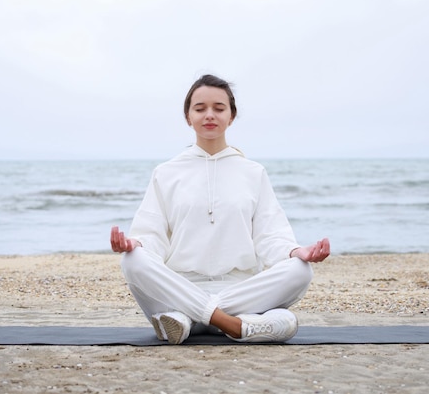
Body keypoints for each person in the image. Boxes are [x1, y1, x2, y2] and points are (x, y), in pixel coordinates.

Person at [111, 74, 330, 344]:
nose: (209, 115)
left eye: (219, 108)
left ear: (232, 116)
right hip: (179, 287)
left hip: (240, 290)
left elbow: (270, 236)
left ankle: (188, 319)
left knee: (300, 270)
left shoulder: (253, 173)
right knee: (133, 260)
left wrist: (297, 251)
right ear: (188, 116)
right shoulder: (166, 173)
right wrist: (135, 243)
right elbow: (153, 236)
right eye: (200, 109)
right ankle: (233, 324)